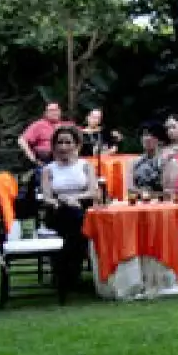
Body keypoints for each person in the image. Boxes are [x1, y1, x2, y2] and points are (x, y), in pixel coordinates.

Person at [40, 125, 102, 296]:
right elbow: (46, 197)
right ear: (54, 146)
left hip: (81, 208)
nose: (63, 147)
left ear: (77, 145)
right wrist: (61, 201)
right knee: (75, 220)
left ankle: (65, 272)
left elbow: (94, 192)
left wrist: (76, 199)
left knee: (77, 221)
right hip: (57, 211)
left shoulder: (85, 166)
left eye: (68, 142)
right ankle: (71, 273)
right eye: (60, 143)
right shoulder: (48, 169)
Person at [128, 121, 169, 199]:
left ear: (160, 140)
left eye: (153, 135)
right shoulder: (133, 162)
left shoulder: (166, 161)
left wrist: (144, 193)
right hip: (138, 205)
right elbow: (130, 191)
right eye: (145, 135)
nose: (148, 138)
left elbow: (168, 193)